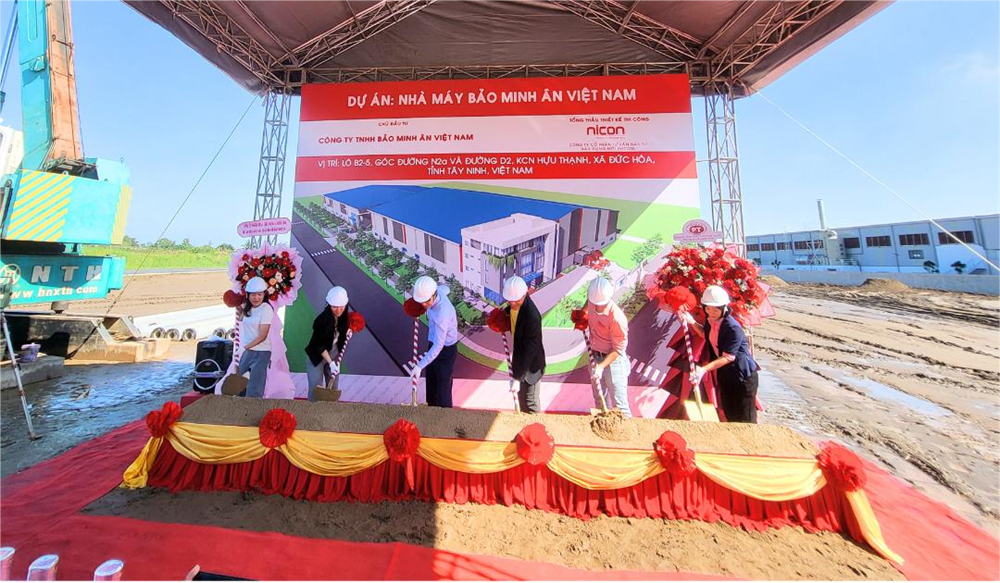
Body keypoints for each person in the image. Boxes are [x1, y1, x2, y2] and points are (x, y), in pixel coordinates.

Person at [681, 285, 760, 423]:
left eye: (715, 309)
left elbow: (728, 357)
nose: (711, 312)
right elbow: (705, 334)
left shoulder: (733, 328)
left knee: (745, 417)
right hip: (726, 374)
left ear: (724, 307)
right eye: (708, 308)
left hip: (742, 375)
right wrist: (691, 321)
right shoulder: (710, 321)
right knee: (730, 413)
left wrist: (703, 370)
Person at [406, 276, 459, 407]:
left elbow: (438, 345)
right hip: (433, 343)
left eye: (427, 301)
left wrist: (419, 366)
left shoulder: (442, 313)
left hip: (445, 349)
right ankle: (431, 411)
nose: (424, 305)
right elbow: (444, 289)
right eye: (421, 301)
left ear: (434, 295)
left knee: (443, 387)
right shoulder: (436, 291)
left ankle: (444, 415)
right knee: (431, 383)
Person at [586, 277, 632, 417]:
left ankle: (626, 429)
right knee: (600, 403)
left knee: (621, 408)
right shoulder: (592, 301)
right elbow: (585, 310)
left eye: (601, 304)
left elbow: (618, 348)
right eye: (595, 303)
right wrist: (581, 317)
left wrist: (601, 367)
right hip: (595, 356)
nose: (597, 307)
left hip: (614, 362)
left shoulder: (617, 318)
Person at [503, 276, 545, 413]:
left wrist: (518, 378)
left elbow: (530, 350)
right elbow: (510, 311)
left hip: (531, 367)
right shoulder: (514, 306)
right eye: (510, 300)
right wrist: (501, 318)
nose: (513, 303)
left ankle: (536, 426)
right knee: (521, 401)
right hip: (520, 359)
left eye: (516, 300)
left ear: (524, 294)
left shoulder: (532, 317)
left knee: (530, 402)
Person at [304, 286, 351, 401]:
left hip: (334, 356)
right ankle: (313, 409)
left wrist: (348, 331)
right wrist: (330, 363)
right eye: (335, 307)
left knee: (333, 388)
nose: (338, 310)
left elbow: (340, 340)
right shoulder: (321, 320)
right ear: (329, 304)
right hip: (317, 356)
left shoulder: (345, 318)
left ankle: (330, 411)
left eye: (341, 307)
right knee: (316, 389)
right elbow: (319, 346)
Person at [237, 277, 273, 398]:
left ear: (264, 294)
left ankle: (253, 407)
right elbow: (241, 321)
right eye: (253, 295)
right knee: (239, 383)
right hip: (247, 350)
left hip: (261, 352)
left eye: (259, 294)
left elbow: (263, 336)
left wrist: (245, 347)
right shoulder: (248, 308)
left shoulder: (266, 309)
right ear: (247, 295)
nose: (256, 298)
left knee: (255, 387)